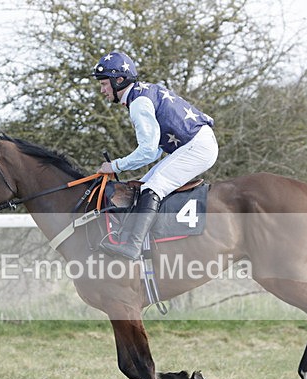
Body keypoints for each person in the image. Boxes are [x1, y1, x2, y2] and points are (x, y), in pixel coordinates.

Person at [93, 50, 218, 260]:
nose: (102, 90)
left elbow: (149, 151)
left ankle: (133, 246)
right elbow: (158, 145)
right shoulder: (141, 93)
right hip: (194, 142)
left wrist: (115, 166)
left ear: (119, 81)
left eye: (104, 84)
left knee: (153, 187)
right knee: (143, 184)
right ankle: (139, 242)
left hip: (197, 146)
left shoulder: (139, 104)